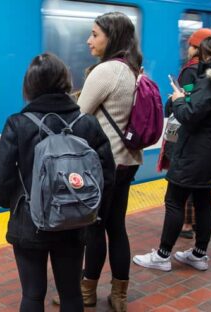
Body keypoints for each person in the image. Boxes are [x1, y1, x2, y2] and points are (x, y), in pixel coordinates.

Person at [0, 53, 115, 312]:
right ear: (65, 82)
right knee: (71, 294)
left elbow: (1, 176)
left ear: (29, 86)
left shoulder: (18, 123)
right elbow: (107, 174)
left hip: (29, 222)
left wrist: (12, 204)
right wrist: (93, 212)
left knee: (33, 295)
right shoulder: (87, 123)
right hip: (74, 219)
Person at [133, 34, 211, 272]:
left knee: (174, 201)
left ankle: (162, 256)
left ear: (210, 55)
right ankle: (199, 254)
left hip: (195, 148)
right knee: (204, 200)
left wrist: (179, 99)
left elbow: (190, 114)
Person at [71, 11, 142, 312]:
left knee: (94, 228)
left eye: (95, 34)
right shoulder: (132, 69)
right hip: (127, 161)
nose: (89, 40)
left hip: (103, 164)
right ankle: (119, 295)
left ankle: (86, 292)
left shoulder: (105, 71)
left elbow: (80, 115)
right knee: (117, 228)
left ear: (111, 38)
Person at [159, 28, 211, 239]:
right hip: (206, 142)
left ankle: (184, 227)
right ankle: (195, 239)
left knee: (179, 185)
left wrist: (173, 101)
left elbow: (183, 103)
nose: (187, 48)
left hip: (183, 130)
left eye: (191, 45)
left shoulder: (190, 70)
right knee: (202, 193)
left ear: (197, 48)